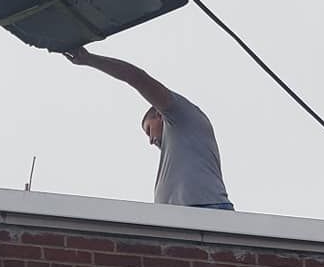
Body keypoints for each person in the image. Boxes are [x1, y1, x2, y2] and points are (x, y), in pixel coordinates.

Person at [66, 46, 233, 210]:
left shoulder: (180, 115)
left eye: (148, 130)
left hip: (207, 210)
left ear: (159, 115)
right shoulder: (178, 143)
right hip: (179, 220)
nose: (151, 141)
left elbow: (136, 77)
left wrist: (90, 59)